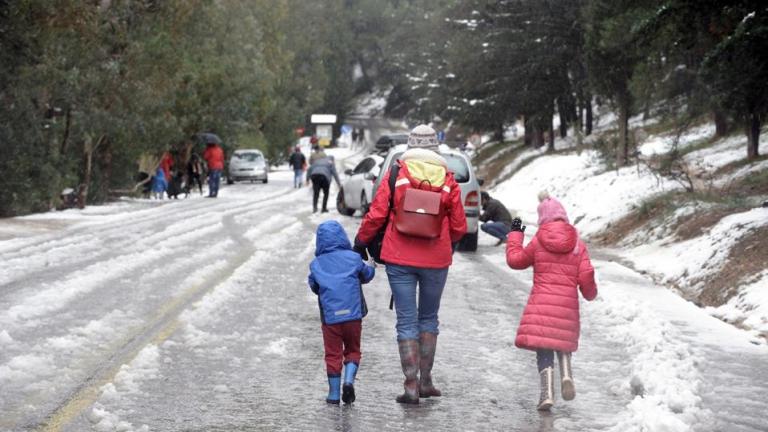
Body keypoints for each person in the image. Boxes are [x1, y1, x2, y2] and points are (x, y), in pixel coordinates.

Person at [353, 124, 467, 404]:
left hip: (399, 258)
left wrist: (361, 241)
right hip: (436, 260)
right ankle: (426, 381)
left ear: (410, 146)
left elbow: (377, 215)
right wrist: (444, 240)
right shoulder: (448, 180)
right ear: (435, 148)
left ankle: (411, 386)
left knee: (406, 321)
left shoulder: (396, 174)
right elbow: (459, 226)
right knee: (429, 319)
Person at [505, 191, 597, 411]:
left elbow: (516, 261)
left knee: (544, 347)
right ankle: (566, 373)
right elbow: (586, 275)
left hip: (541, 304)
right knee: (562, 341)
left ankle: (546, 393)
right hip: (567, 306)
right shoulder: (577, 243)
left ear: (542, 218)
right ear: (563, 215)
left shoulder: (539, 241)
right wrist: (590, 293)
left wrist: (516, 233)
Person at [309, 220, 376, 405]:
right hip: (353, 317)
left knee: (333, 354)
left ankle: (333, 394)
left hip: (330, 319)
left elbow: (314, 286)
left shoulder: (316, 264)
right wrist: (371, 266)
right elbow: (366, 275)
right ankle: (348, 382)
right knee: (353, 350)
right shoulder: (353, 258)